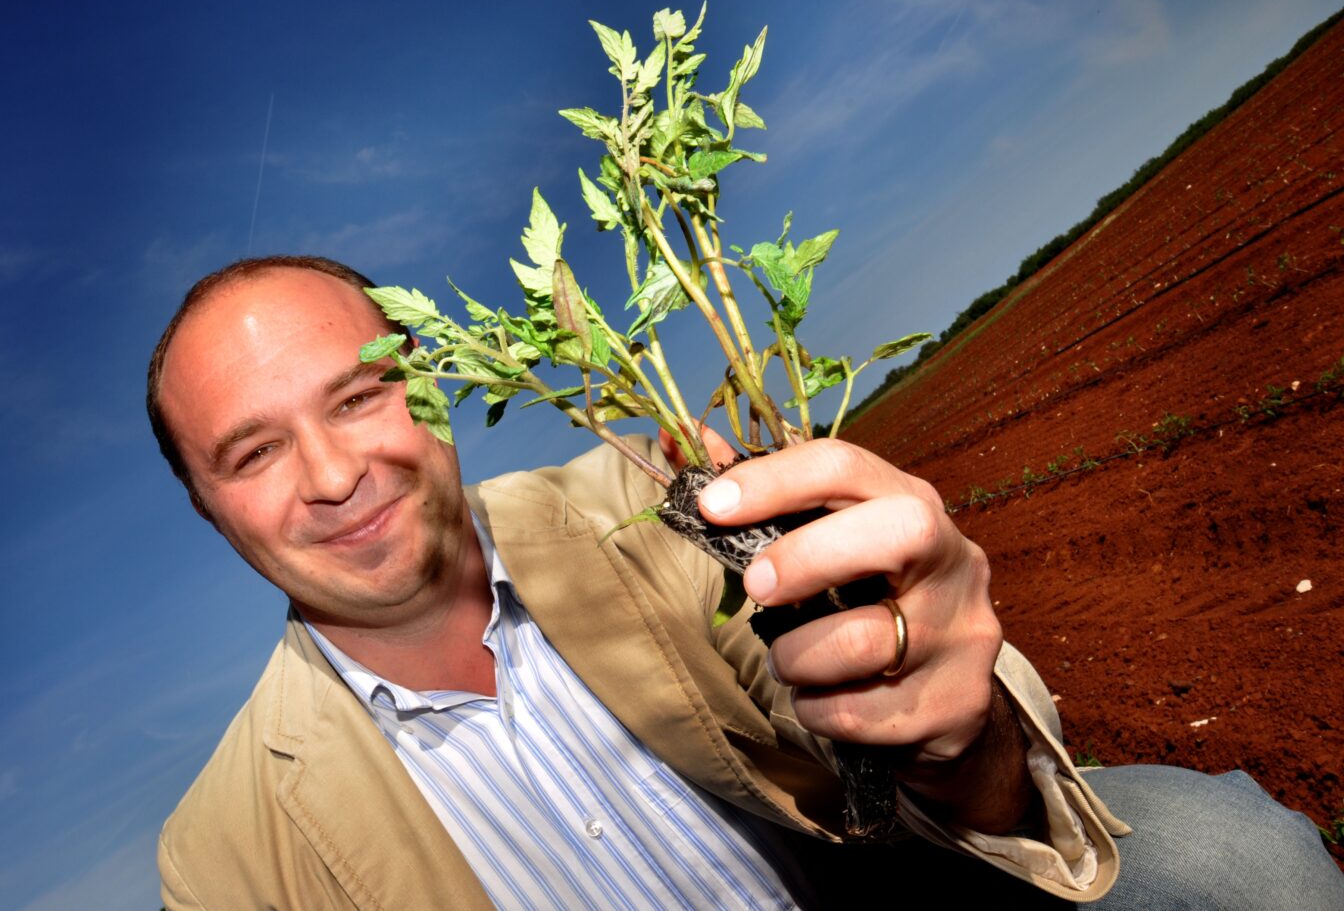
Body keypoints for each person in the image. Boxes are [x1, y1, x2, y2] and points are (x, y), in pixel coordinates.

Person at [149, 255, 1341, 909]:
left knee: (1232, 860)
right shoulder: (223, 858)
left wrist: (940, 721)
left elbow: (914, 748)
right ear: (209, 510)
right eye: (251, 452)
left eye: (359, 394)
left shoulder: (645, 496)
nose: (334, 470)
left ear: (438, 379)